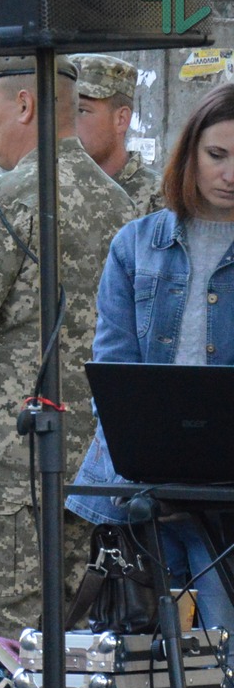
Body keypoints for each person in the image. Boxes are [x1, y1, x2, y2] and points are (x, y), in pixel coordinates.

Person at [0, 55, 136, 656]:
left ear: (25, 106)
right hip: (94, 483)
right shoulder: (122, 206)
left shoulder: (0, 201)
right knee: (76, 671)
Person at [66, 82, 234, 633]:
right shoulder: (135, 244)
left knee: (224, 652)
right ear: (189, 154)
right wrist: (138, 454)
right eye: (217, 155)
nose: (230, 173)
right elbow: (113, 374)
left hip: (226, 493)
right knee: (143, 665)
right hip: (140, 487)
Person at [70, 53, 163, 217]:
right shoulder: (51, 189)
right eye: (62, 110)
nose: (66, 123)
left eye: (81, 110)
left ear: (121, 119)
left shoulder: (159, 199)